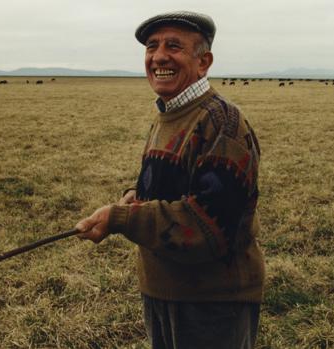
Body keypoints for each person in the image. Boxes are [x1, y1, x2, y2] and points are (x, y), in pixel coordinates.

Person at [75, 11, 264, 349]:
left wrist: (121, 218)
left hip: (211, 302)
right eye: (152, 46)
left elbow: (209, 228)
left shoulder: (222, 122)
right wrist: (134, 197)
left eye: (174, 46)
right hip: (164, 291)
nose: (159, 56)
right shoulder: (169, 113)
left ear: (203, 62)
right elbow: (171, 186)